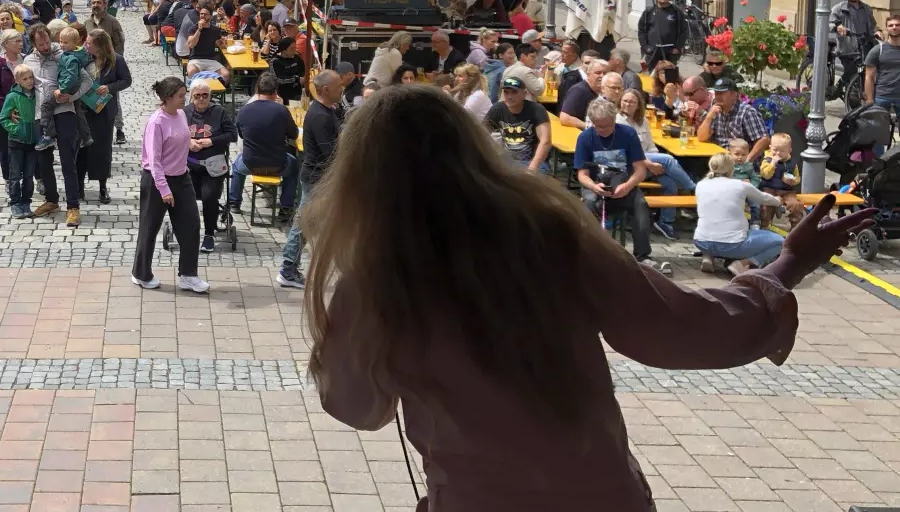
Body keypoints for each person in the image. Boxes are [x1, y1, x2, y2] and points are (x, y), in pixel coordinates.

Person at [303, 83, 876, 511]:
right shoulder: (550, 237)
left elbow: (357, 407)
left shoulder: (377, 283)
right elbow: (681, 328)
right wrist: (788, 263)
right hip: (599, 493)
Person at [134, 77, 210, 293]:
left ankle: (188, 274)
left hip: (181, 176)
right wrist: (164, 189)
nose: (184, 99)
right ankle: (141, 273)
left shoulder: (181, 114)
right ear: (167, 99)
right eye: (180, 96)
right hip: (157, 181)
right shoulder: (156, 122)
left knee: (191, 225)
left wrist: (190, 144)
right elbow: (154, 161)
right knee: (149, 228)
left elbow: (181, 137)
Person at [575, 98, 661, 269]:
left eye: (606, 126)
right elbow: (582, 175)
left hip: (624, 184)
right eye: (598, 126)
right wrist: (593, 186)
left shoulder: (628, 134)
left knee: (641, 204)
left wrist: (627, 186)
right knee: (590, 202)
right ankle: (593, 252)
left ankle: (643, 256)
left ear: (614, 120)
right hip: (597, 186)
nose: (602, 130)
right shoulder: (585, 138)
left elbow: (640, 170)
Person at [278, 69, 345, 289]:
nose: (342, 89)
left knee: (315, 224)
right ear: (326, 90)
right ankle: (288, 268)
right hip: (318, 179)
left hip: (319, 177)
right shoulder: (320, 117)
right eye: (338, 87)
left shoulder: (327, 111)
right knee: (305, 224)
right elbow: (330, 152)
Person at [24, 24, 86, 224]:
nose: (44, 46)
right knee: (43, 162)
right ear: (33, 43)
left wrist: (71, 95)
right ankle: (51, 200)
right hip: (40, 116)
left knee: (68, 160)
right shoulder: (28, 60)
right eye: (40, 43)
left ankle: (73, 206)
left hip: (64, 112)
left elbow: (87, 80)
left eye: (46, 42)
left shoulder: (64, 55)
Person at [616, 89, 696, 238]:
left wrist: (657, 166)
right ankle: (693, 189)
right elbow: (627, 151)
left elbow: (651, 146)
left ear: (638, 105)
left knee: (670, 183)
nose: (627, 104)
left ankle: (666, 222)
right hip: (630, 166)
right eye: (625, 101)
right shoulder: (618, 121)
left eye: (631, 102)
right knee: (668, 159)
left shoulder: (643, 121)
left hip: (646, 163)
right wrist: (651, 163)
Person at [694, 152, 787, 276]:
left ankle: (709, 257)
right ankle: (743, 263)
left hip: (701, 242)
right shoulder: (741, 185)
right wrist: (777, 201)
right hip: (732, 244)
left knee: (714, 223)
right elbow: (764, 198)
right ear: (731, 168)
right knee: (780, 242)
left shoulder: (700, 185)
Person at [227, 72, 301, 215]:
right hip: (278, 164)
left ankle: (234, 202)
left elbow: (242, 135)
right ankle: (286, 208)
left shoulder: (244, 110)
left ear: (256, 90)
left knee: (236, 167)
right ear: (275, 92)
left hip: (250, 163)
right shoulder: (281, 110)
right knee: (294, 167)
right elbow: (294, 134)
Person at [79, 30, 130, 206]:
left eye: (89, 43)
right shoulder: (83, 58)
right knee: (82, 148)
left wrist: (109, 87)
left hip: (104, 111)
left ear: (99, 45)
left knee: (102, 149)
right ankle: (79, 186)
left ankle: (102, 186)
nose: (86, 46)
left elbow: (126, 80)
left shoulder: (116, 60)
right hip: (84, 110)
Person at [185, 79, 236, 252]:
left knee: (209, 198)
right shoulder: (184, 113)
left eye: (204, 95)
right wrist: (188, 142)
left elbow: (232, 135)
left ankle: (209, 234)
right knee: (185, 198)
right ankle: (189, 231)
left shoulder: (219, 112)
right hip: (189, 166)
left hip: (213, 166)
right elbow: (174, 136)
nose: (201, 99)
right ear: (192, 96)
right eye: (197, 95)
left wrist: (211, 141)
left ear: (210, 96)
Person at [485, 76, 552, 173]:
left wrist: (532, 168)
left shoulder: (536, 109)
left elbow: (546, 141)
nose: (509, 96)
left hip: (534, 161)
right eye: (506, 92)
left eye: (514, 92)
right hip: (507, 161)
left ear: (524, 94)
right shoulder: (498, 109)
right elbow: (481, 133)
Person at [0, 63, 41, 219]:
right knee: (15, 174)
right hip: (16, 142)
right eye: (25, 79)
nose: (29, 81)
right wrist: (18, 130)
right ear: (17, 81)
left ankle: (26, 202)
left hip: (32, 142)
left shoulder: (37, 94)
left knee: (29, 175)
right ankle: (15, 202)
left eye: (31, 78)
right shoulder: (13, 97)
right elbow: (3, 118)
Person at [696, 77, 771, 161]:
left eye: (722, 93)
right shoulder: (715, 109)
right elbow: (702, 137)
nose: (718, 96)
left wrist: (747, 161)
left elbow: (764, 140)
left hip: (738, 161)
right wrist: (709, 117)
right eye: (716, 93)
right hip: (717, 158)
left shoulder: (747, 112)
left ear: (734, 95)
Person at [0, 29, 25, 187]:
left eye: (21, 41)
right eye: (17, 41)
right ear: (6, 44)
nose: (21, 44)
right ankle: (9, 179)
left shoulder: (24, 60)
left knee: (24, 146)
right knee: (6, 147)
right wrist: (8, 110)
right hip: (3, 115)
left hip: (24, 113)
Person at [637, 0, 689, 70]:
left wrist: (678, 47)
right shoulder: (649, 12)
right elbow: (641, 30)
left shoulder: (677, 12)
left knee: (669, 76)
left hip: (670, 52)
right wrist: (645, 47)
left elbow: (683, 31)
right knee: (652, 77)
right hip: (652, 51)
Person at [558, 59, 609, 129]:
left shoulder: (604, 91)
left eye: (605, 73)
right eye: (598, 73)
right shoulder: (578, 91)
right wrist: (589, 127)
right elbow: (564, 118)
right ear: (588, 74)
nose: (602, 76)